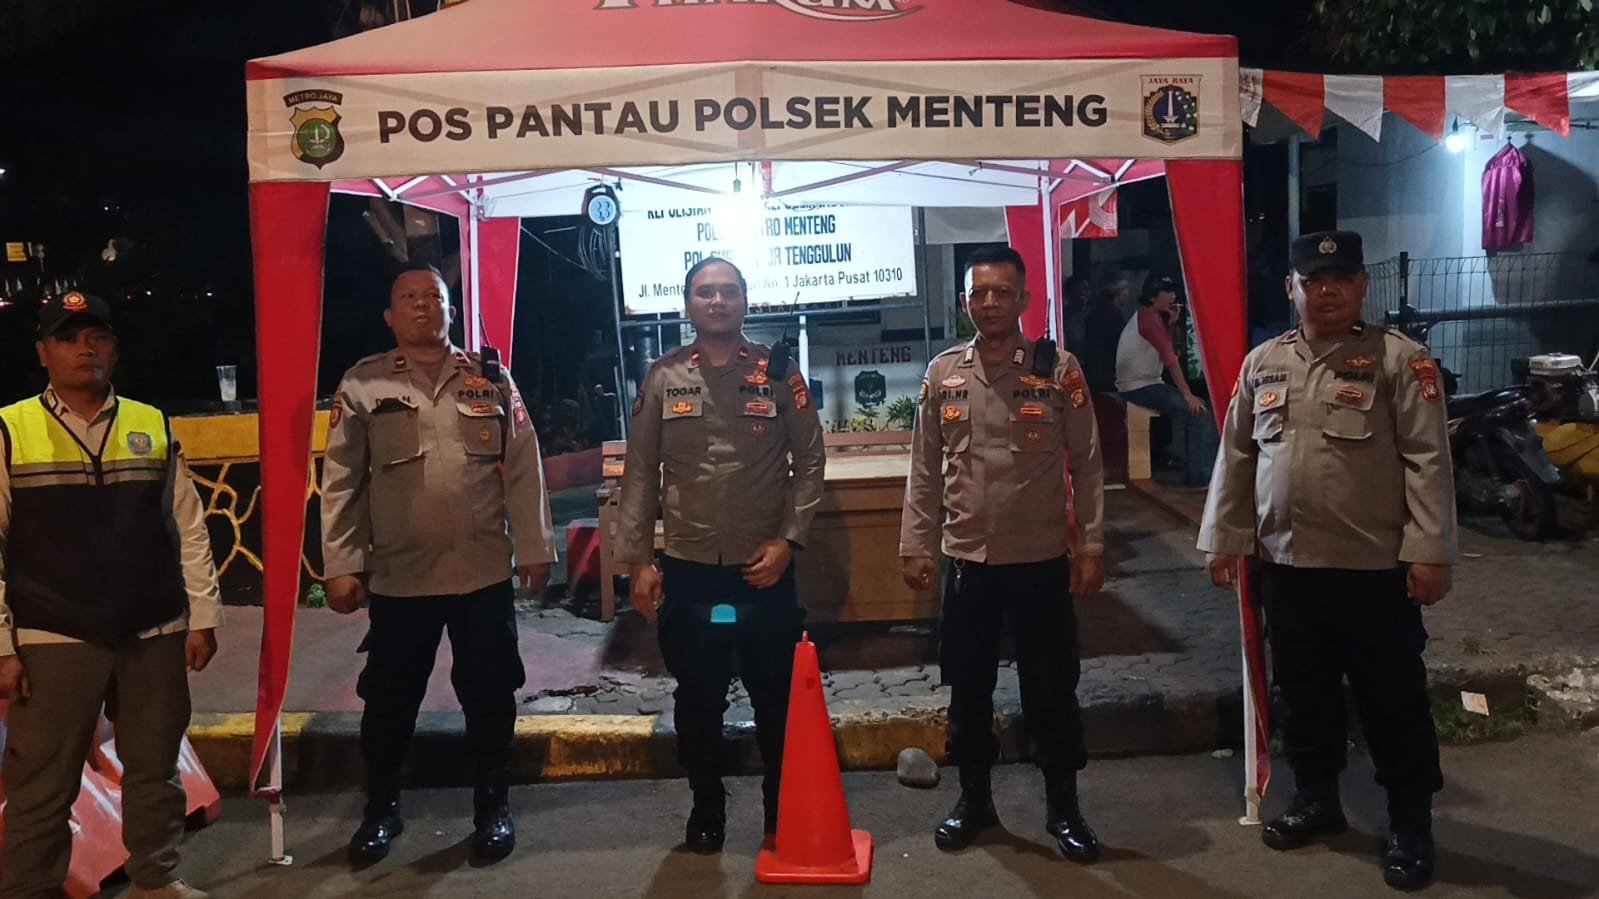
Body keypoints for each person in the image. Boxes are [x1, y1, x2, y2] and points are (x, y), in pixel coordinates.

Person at [1198, 231, 1456, 892]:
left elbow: (1428, 462)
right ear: (1292, 287)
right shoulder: (1263, 363)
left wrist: (1429, 552)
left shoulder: (1399, 360)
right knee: (1303, 696)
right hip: (1287, 568)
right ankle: (1317, 799)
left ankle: (1409, 823)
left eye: (1341, 278)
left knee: (1392, 702)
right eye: (1313, 279)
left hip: (1373, 570)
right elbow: (1237, 456)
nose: (1328, 290)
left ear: (1362, 285)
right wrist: (1225, 537)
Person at [321, 263, 557, 864]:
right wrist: (342, 563)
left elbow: (523, 465)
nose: (423, 305)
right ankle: (381, 808)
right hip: (401, 575)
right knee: (390, 700)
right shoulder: (363, 384)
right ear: (389, 315)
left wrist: (535, 546)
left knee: (490, 695)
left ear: (452, 310)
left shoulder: (489, 377)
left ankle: (492, 806)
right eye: (409, 297)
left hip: (482, 572)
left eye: (435, 296)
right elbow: (342, 480)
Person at [0, 292, 221, 899]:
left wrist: (202, 615)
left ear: (115, 348)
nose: (85, 348)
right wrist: (3, 646)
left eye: (96, 336)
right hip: (53, 633)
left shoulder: (150, 422)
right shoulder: (11, 428)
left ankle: (157, 879)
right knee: (43, 780)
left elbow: (187, 526)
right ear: (43, 352)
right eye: (68, 338)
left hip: (153, 628)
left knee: (156, 767)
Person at [899, 246, 1106, 862]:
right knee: (968, 693)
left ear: (1023, 299)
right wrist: (916, 544)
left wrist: (1091, 545)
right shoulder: (944, 373)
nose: (989, 303)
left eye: (1001, 292)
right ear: (965, 301)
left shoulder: (1057, 369)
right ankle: (974, 802)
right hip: (968, 563)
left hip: (1040, 562)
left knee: (1052, 692)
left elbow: (1087, 464)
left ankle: (1064, 808)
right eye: (978, 293)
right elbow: (924, 469)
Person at [616, 256, 825, 853]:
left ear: (745, 302)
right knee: (698, 700)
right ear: (688, 305)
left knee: (776, 698)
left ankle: (781, 809)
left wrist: (789, 540)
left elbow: (811, 460)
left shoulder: (778, 373)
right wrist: (638, 562)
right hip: (689, 570)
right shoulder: (663, 377)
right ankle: (706, 806)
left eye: (728, 291)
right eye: (705, 292)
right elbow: (640, 474)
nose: (717, 301)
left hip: (765, 570)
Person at [1114, 274, 1219, 486]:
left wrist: (1171, 324)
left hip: (1146, 382)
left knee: (1198, 408)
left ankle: (1195, 469)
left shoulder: (1150, 316)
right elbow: (1171, 361)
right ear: (1153, 296)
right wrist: (1187, 395)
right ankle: (1200, 475)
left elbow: (1167, 351)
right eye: (1167, 292)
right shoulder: (1149, 319)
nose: (1173, 297)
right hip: (1139, 386)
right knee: (1200, 413)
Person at [1080, 276, 1128, 394]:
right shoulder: (1112, 315)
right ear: (1119, 294)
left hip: (1096, 368)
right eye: (1125, 291)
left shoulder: (1095, 311)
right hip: (1105, 370)